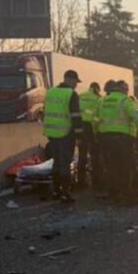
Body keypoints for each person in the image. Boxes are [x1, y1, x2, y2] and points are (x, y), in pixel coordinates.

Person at [93, 80, 138, 202]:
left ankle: (113, 194)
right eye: (126, 90)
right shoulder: (125, 101)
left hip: (105, 139)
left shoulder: (102, 101)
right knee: (126, 167)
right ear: (123, 90)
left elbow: (94, 118)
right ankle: (126, 195)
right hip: (123, 140)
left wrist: (97, 133)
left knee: (111, 167)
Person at [43, 70, 83, 202]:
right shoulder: (71, 94)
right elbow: (76, 116)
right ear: (70, 80)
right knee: (65, 164)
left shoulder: (50, 92)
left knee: (56, 162)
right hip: (65, 133)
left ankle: (56, 191)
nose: (76, 85)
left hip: (51, 133)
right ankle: (65, 193)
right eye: (76, 82)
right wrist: (79, 136)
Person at [78, 82, 101, 189]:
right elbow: (98, 116)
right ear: (97, 88)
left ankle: (81, 181)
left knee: (82, 155)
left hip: (81, 127)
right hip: (91, 128)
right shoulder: (98, 98)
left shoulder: (81, 95)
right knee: (94, 155)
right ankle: (96, 180)